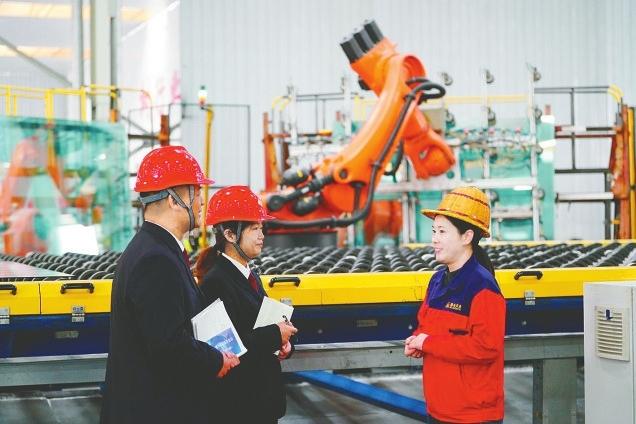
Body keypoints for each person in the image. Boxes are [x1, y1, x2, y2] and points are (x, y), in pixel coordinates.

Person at [101, 146, 240, 424]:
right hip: (156, 410)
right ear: (174, 201)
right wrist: (216, 360)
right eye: (195, 192)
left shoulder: (156, 249)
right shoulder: (156, 260)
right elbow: (168, 346)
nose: (202, 201)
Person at [194, 185, 298, 424]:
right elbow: (225, 347)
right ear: (230, 235)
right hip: (240, 406)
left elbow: (258, 325)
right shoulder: (216, 283)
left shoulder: (250, 276)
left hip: (261, 402)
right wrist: (275, 335)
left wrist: (284, 344)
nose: (262, 235)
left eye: (261, 228)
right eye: (254, 229)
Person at [404, 186, 505, 424]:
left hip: (473, 414)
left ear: (466, 237)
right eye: (434, 231)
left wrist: (428, 343)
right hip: (439, 408)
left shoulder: (483, 287)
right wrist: (417, 340)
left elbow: (485, 347)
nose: (434, 239)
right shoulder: (437, 280)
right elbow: (426, 326)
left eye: (442, 232)